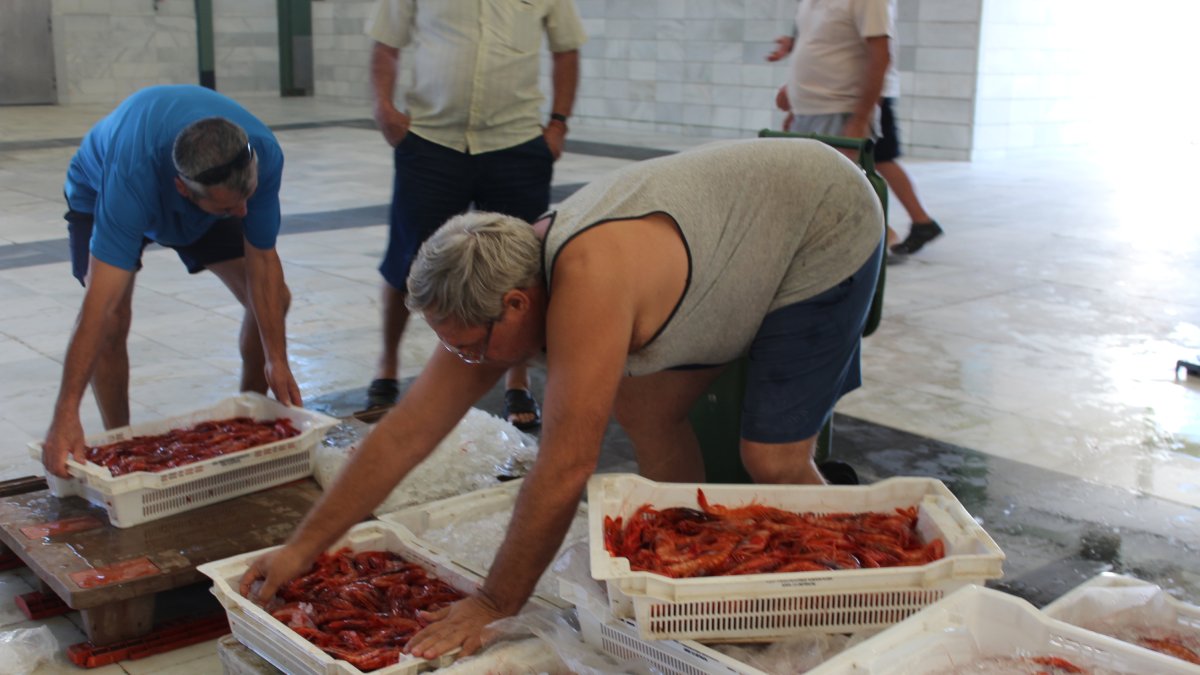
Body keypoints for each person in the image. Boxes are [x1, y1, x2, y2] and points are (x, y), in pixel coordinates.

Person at [242, 138, 884, 658]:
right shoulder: (495, 291)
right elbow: (407, 431)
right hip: (733, 233)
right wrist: (303, 548)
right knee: (648, 410)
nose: (468, 364)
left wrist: (495, 601)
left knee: (772, 458)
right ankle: (693, 572)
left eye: (470, 347)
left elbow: (566, 466)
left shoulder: (587, 283)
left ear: (516, 305)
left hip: (822, 218)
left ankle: (867, 594)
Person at [41, 84, 300, 478]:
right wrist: (66, 411)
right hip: (100, 190)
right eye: (231, 207)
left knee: (274, 300)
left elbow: (262, 260)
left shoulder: (259, 154)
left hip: (207, 197)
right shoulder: (130, 179)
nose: (244, 213)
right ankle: (121, 446)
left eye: (247, 197)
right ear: (183, 190)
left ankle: (250, 421)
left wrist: (276, 360)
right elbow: (99, 309)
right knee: (113, 321)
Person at [362, 0, 586, 430]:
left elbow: (566, 50)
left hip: (516, 142)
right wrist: (384, 109)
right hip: (431, 140)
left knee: (522, 269)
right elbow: (386, 44)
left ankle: (517, 380)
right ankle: (386, 366)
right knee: (406, 259)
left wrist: (558, 124)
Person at [767, 0, 942, 257]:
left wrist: (860, 119)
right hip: (813, 109)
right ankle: (899, 231)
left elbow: (880, 55)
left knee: (844, 184)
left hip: (843, 107)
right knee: (822, 187)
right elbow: (820, 46)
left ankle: (884, 240)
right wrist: (795, 97)